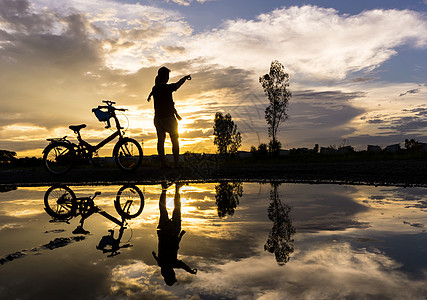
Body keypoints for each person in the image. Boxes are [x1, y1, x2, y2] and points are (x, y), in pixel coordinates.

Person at [152, 182, 197, 286]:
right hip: (164, 231)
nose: (174, 274)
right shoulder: (161, 264)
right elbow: (158, 258)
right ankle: (164, 189)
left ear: (170, 275)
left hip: (172, 231)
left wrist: (190, 271)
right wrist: (154, 255)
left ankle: (176, 189)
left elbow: (181, 262)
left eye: (173, 276)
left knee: (176, 208)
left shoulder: (172, 263)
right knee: (163, 210)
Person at [147, 67, 191, 169]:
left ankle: (163, 164)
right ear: (166, 77)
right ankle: (176, 164)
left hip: (158, 119)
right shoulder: (167, 88)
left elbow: (152, 91)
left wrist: (149, 96)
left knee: (160, 141)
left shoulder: (155, 89)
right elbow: (178, 84)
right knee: (174, 140)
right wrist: (185, 78)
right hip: (169, 119)